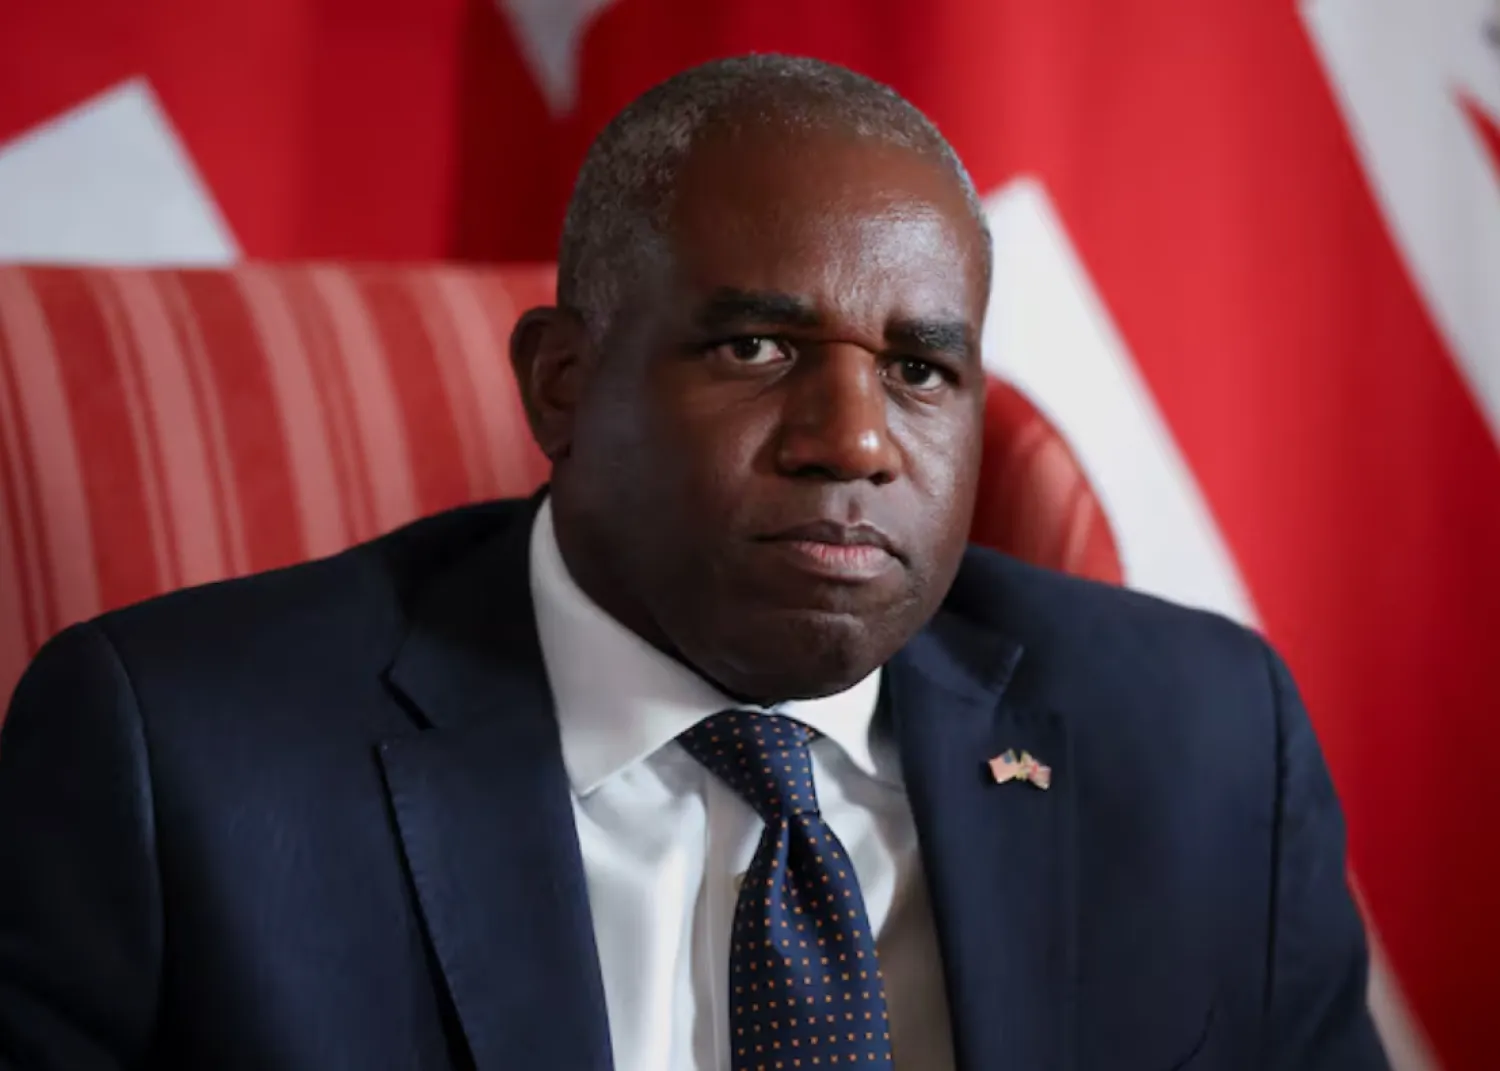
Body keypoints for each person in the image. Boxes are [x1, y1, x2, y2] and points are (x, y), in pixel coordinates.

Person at [0, 55, 1388, 1071]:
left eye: (918, 368)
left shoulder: (1202, 742)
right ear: (561, 384)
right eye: (757, 348)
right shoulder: (176, 759)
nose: (854, 440)